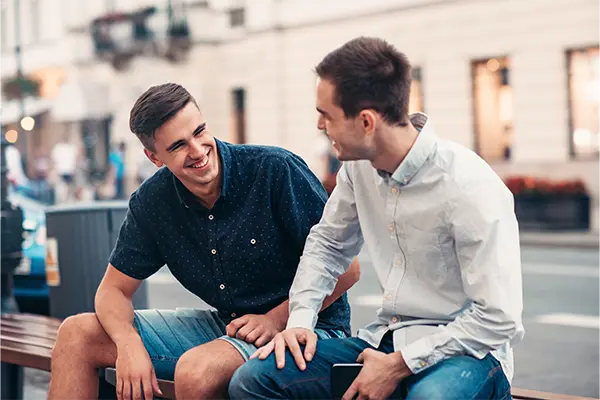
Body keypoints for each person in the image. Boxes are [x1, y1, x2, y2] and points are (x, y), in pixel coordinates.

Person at [228, 36, 525, 400]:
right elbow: (328, 245)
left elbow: (499, 318)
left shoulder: (468, 185)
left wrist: (401, 365)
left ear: (366, 121)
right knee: (254, 378)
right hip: (384, 341)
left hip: (467, 354)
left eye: (327, 115)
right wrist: (300, 322)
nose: (320, 126)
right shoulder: (357, 170)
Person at [48, 83, 360, 400]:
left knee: (197, 371)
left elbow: (347, 268)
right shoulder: (153, 201)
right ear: (153, 157)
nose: (198, 150)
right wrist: (127, 343)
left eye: (200, 132)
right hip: (228, 328)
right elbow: (113, 290)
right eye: (179, 146)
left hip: (308, 328)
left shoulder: (274, 170)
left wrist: (275, 319)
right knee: (76, 335)